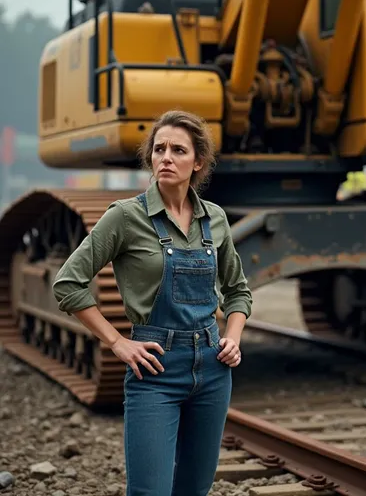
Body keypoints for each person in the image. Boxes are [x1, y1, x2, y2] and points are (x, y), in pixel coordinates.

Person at [52, 109, 253, 496]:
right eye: (159, 149)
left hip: (212, 370)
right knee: (150, 491)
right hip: (155, 370)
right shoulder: (125, 218)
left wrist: (233, 335)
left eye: (178, 150)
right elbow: (68, 284)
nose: (166, 157)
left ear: (198, 163)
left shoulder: (216, 219)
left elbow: (238, 290)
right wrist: (116, 342)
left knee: (194, 489)